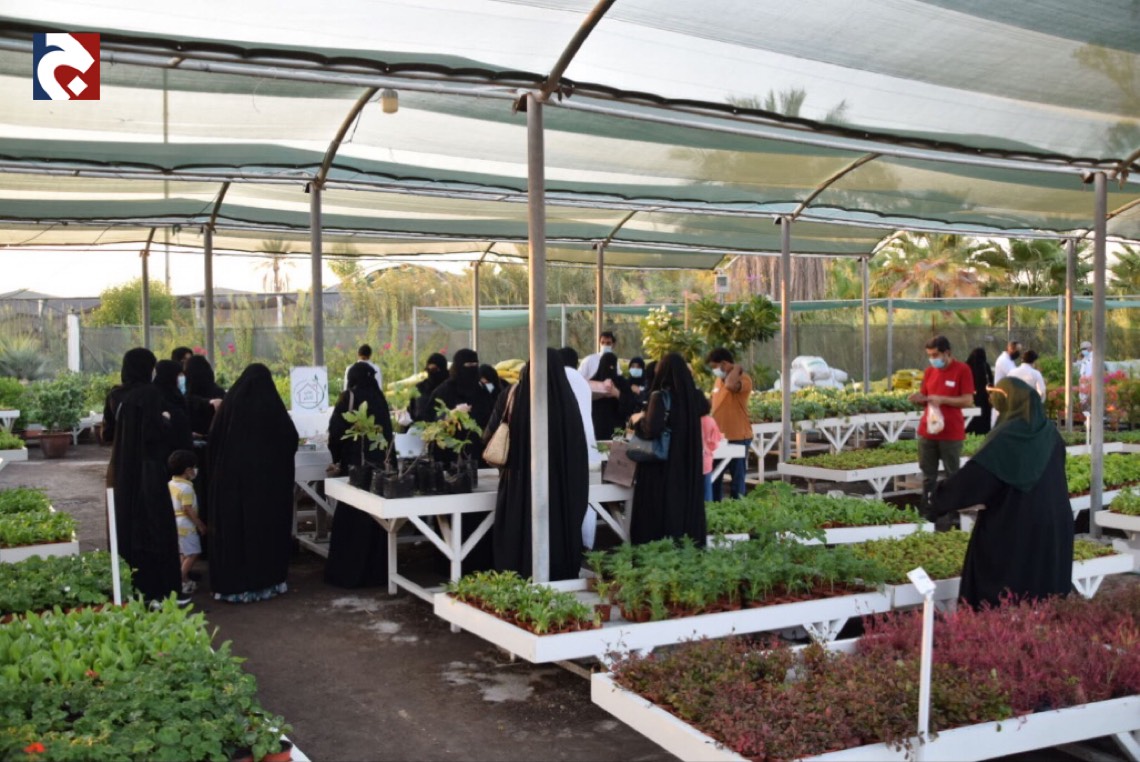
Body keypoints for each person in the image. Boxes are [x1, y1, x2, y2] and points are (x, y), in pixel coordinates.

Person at [930, 377, 1073, 609]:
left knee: (1007, 591)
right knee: (1043, 587)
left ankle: (1003, 631)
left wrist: (939, 498)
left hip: (1014, 524)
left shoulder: (1007, 436)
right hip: (1054, 524)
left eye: (995, 394)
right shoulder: (1051, 434)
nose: (991, 399)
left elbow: (976, 479)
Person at [484, 348, 589, 580]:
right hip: (559, 489)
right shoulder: (566, 400)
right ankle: (557, 577)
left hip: (519, 484)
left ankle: (518, 576)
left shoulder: (512, 395)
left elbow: (489, 435)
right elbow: (578, 450)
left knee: (519, 529)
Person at [207, 364, 299, 603]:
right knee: (264, 532)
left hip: (231, 486)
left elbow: (213, 441)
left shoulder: (229, 407)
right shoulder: (272, 408)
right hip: (267, 488)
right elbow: (290, 438)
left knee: (235, 532)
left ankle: (234, 586)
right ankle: (267, 581)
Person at [107, 348, 184, 604]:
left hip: (120, 469)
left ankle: (127, 588)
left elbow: (107, 434)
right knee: (153, 529)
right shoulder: (150, 394)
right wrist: (167, 420)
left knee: (125, 525)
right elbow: (154, 434)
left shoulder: (115, 395)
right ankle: (158, 590)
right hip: (148, 471)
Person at [325, 362, 394, 588]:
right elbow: (388, 434)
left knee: (352, 516)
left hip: (355, 466)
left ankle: (349, 572)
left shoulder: (349, 397)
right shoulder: (380, 398)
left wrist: (337, 457)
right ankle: (377, 572)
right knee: (376, 518)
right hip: (379, 466)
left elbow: (336, 432)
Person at [628, 352, 706, 546]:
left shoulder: (659, 397)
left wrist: (638, 420)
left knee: (658, 512)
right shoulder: (693, 398)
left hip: (661, 468)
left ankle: (657, 551)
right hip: (686, 464)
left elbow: (652, 429)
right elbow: (705, 407)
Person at [907, 335, 975, 529]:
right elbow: (926, 395)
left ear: (947, 353)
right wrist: (919, 398)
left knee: (952, 474)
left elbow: (967, 400)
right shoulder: (930, 371)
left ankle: (951, 512)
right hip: (928, 430)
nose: (932, 359)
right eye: (929, 355)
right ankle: (928, 512)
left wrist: (943, 399)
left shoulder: (962, 370)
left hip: (950, 432)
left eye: (935, 355)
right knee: (928, 474)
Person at [425, 349, 494, 463]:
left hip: (477, 452)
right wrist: (451, 415)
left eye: (475, 365)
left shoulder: (481, 391)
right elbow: (430, 419)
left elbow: (489, 415)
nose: (472, 369)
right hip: (448, 452)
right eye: (468, 365)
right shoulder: (443, 391)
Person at [706, 347, 753, 501]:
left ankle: (738, 508)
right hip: (719, 438)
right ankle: (716, 506)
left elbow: (731, 386)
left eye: (715, 367)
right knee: (715, 476)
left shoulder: (743, 379)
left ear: (725, 364)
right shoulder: (718, 381)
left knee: (737, 479)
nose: (714, 371)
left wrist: (736, 368)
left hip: (739, 437)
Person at [168, 449, 207, 595]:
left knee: (183, 553)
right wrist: (200, 524)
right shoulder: (186, 488)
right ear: (188, 470)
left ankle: (184, 580)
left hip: (175, 524)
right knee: (193, 553)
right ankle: (179, 579)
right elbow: (187, 508)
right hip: (186, 526)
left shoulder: (171, 483)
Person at [589, 352, 634, 441]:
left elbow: (630, 405)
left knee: (616, 449)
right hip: (596, 428)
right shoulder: (593, 382)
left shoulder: (621, 383)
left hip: (617, 428)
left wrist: (617, 393)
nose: (609, 369)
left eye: (612, 366)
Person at [410, 353, 450, 422]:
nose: (431, 372)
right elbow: (412, 409)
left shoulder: (450, 387)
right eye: (428, 369)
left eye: (434, 369)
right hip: (421, 426)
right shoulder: (420, 387)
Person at [964, 347, 994, 436]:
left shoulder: (966, 366)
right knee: (983, 417)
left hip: (971, 397)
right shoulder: (985, 365)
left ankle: (970, 435)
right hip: (984, 398)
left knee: (971, 418)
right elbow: (991, 381)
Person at [699, 394, 723, 503]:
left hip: (693, 461)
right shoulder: (710, 421)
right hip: (707, 459)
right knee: (707, 491)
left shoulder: (693, 421)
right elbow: (715, 444)